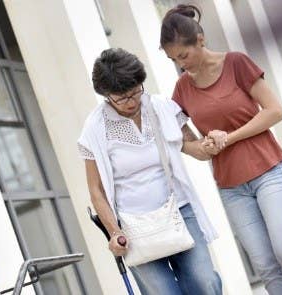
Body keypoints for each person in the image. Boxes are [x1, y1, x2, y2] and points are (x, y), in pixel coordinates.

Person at [160, 4, 282, 295]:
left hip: (268, 172)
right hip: (231, 188)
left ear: (200, 39)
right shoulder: (182, 88)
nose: (181, 65)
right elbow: (176, 131)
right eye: (174, 59)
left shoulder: (237, 63)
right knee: (265, 265)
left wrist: (230, 136)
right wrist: (198, 147)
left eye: (184, 55)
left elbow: (275, 111)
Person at [78, 48, 222, 295]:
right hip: (134, 227)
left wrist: (208, 145)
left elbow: (192, 147)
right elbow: (96, 190)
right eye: (122, 98)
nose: (132, 101)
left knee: (206, 283)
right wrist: (115, 233)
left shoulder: (161, 108)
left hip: (178, 210)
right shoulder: (95, 128)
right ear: (106, 96)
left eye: (135, 92)